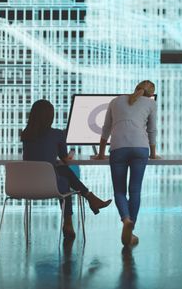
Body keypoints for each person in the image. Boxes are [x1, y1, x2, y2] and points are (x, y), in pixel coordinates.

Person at [19, 99, 112, 240]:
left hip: (28, 185)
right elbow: (65, 160)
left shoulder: (25, 134)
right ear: (50, 117)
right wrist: (70, 155)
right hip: (50, 184)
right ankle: (78, 211)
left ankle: (90, 199)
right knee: (66, 178)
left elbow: (36, 156)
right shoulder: (57, 134)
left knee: (63, 172)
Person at [92, 80, 159, 248]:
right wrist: (153, 153)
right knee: (135, 189)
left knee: (120, 191)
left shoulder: (116, 101)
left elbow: (106, 128)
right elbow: (152, 130)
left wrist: (100, 154)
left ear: (136, 88)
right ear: (151, 94)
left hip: (118, 148)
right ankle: (131, 227)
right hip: (140, 148)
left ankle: (126, 220)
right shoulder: (150, 103)